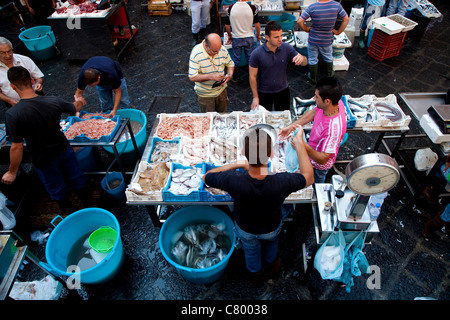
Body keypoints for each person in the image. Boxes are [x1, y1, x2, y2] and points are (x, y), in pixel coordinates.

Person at [202, 125, 314, 283]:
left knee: (250, 250)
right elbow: (309, 177)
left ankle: (255, 271)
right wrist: (300, 143)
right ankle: (270, 264)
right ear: (271, 154)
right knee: (271, 244)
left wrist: (238, 165)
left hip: (245, 228)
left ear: (243, 152)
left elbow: (206, 177)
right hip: (271, 228)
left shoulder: (232, 179)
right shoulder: (282, 181)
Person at [2, 66, 89, 213]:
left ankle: (69, 210)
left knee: (55, 185)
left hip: (42, 158)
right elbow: (74, 108)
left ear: (12, 86)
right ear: (31, 80)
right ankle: (88, 202)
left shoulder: (13, 114)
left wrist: (12, 172)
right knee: (76, 176)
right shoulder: (52, 101)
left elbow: (17, 147)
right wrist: (79, 100)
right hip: (63, 149)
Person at [279, 77, 347, 183]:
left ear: (327, 101)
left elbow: (324, 158)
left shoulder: (333, 129)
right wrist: (290, 127)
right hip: (311, 151)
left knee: (315, 183)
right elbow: (313, 113)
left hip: (318, 166)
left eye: (317, 96)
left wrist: (301, 145)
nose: (314, 98)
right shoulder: (332, 104)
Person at [249, 21, 307, 111]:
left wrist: (302, 58)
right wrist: (255, 97)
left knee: (283, 118)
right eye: (276, 37)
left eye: (281, 35)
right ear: (267, 37)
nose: (280, 39)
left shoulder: (287, 48)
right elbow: (252, 76)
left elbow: (305, 63)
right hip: (264, 92)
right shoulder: (256, 54)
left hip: (282, 91)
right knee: (264, 120)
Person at [297, 0, 349, 84]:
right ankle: (329, 74)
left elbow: (299, 21)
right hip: (327, 39)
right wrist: (339, 31)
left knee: (312, 58)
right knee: (328, 56)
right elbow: (346, 19)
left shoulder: (312, 7)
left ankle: (313, 77)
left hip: (313, 39)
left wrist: (306, 29)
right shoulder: (337, 5)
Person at [188, 33, 235, 113]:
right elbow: (192, 77)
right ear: (206, 45)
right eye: (214, 51)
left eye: (219, 49)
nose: (217, 53)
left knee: (223, 115)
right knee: (208, 119)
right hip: (205, 95)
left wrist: (229, 75)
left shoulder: (222, 50)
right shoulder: (196, 53)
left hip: (221, 91)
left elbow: (230, 64)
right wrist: (211, 77)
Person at [0, 37, 44, 107]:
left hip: (36, 97)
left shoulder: (24, 60)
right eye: (3, 53)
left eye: (9, 51)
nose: (8, 55)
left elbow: (38, 77)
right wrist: (9, 100)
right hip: (14, 104)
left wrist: (38, 83)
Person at [225, 0, 261, 75]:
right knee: (250, 58)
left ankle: (235, 77)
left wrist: (229, 35)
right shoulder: (252, 8)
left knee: (236, 59)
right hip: (249, 38)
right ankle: (252, 76)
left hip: (236, 38)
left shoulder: (231, 8)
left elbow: (227, 25)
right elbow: (257, 24)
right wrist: (258, 34)